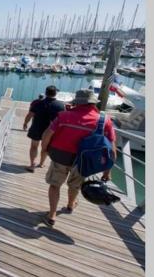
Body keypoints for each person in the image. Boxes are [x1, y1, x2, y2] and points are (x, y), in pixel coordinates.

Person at [40, 89, 117, 227]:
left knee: (54, 185)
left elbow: (47, 134)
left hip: (60, 156)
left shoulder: (64, 116)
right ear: (93, 103)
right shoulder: (104, 120)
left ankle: (52, 215)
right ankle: (70, 205)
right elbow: (111, 149)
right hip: (84, 161)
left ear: (77, 102)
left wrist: (44, 149)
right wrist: (107, 171)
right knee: (75, 185)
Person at [23, 86, 65, 172]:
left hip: (36, 127)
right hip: (51, 130)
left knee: (34, 146)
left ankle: (32, 164)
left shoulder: (37, 103)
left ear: (45, 93)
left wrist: (25, 123)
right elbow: (62, 119)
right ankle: (41, 163)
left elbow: (30, 115)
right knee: (45, 147)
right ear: (55, 94)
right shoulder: (60, 105)